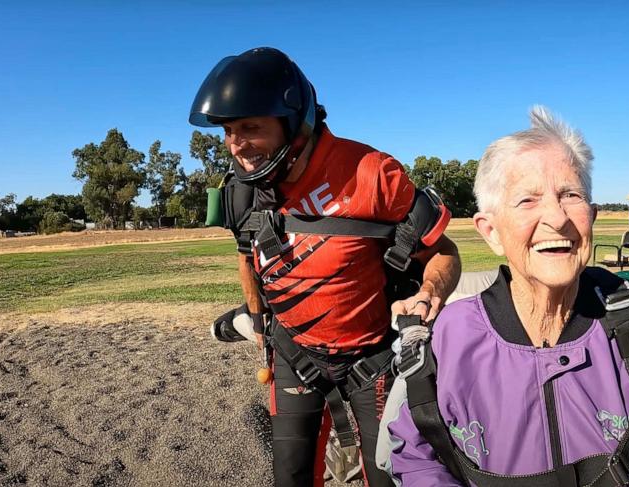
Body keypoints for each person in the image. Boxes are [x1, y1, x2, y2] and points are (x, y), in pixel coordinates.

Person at [384, 107, 629, 486]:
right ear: (491, 231)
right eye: (527, 200)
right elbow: (417, 456)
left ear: (592, 216)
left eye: (570, 194)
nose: (557, 217)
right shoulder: (451, 339)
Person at [189, 47, 461, 487]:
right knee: (291, 477)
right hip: (294, 356)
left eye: (250, 127)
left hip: (372, 360)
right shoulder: (239, 194)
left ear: (294, 123)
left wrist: (429, 292)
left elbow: (444, 252)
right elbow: (246, 256)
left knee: (390, 477)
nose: (235, 144)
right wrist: (258, 321)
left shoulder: (372, 174)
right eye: (228, 131)